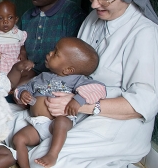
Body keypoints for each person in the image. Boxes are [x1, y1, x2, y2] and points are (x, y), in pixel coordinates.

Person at [5, 0, 158, 167]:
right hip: (75, 107)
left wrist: (81, 104)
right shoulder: (94, 18)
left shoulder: (145, 34)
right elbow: (71, 68)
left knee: (42, 160)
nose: (94, 4)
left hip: (117, 121)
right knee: (2, 121)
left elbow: (144, 102)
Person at [12, 37, 106, 168]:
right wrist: (22, 93)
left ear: (68, 70)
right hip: (38, 124)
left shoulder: (76, 79)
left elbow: (98, 89)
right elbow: (24, 88)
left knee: (61, 122)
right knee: (18, 139)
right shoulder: (42, 77)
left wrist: (78, 100)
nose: (50, 53)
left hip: (57, 122)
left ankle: (52, 154)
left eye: (56, 53)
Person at [16, 0, 86, 86]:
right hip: (29, 70)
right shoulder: (27, 16)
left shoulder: (73, 15)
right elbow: (19, 43)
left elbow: (75, 62)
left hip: (58, 77)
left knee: (20, 90)